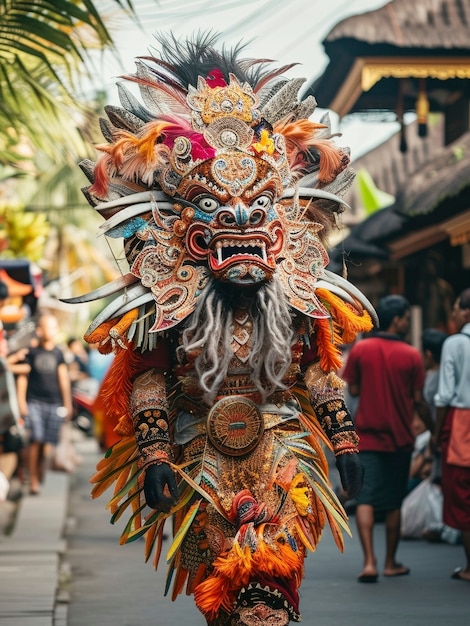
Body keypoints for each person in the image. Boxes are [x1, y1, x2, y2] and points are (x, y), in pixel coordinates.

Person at [66, 33, 377, 625]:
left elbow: (315, 370)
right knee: (226, 594)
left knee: (273, 588)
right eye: (213, 209)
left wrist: (343, 441)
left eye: (257, 211)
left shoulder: (296, 300)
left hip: (281, 451)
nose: (237, 220)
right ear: (180, 228)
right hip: (199, 453)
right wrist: (157, 453)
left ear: (283, 223)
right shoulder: (168, 305)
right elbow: (151, 378)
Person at [343, 294, 433, 583]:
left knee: (366, 499)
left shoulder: (361, 349)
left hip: (367, 435)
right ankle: (391, 562)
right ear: (397, 319)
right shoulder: (412, 355)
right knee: (393, 501)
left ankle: (369, 562)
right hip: (400, 437)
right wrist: (433, 427)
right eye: (406, 317)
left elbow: (353, 390)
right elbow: (419, 400)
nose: (407, 322)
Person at [433, 288, 470, 583]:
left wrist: (437, 435)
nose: (454, 314)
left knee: (464, 495)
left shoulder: (456, 343)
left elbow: (444, 395)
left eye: (456, 309)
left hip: (462, 423)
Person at [16, 313, 73, 495]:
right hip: (34, 402)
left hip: (54, 403)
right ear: (40, 331)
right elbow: (23, 378)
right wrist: (21, 403)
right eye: (49, 327)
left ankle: (39, 473)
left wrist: (68, 404)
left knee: (47, 443)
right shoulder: (31, 353)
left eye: (55, 327)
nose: (53, 331)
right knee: (36, 439)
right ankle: (33, 479)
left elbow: (63, 379)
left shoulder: (58, 353)